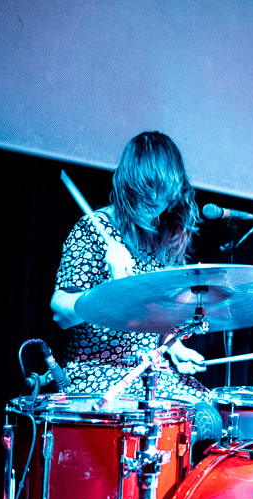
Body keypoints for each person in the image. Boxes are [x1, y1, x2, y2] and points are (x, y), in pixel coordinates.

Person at [51, 131, 209, 401]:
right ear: (130, 183)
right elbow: (60, 313)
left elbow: (155, 316)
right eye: (146, 189)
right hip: (97, 371)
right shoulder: (95, 228)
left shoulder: (167, 236)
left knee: (208, 414)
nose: (154, 199)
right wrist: (111, 292)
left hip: (150, 372)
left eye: (162, 190)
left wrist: (175, 348)